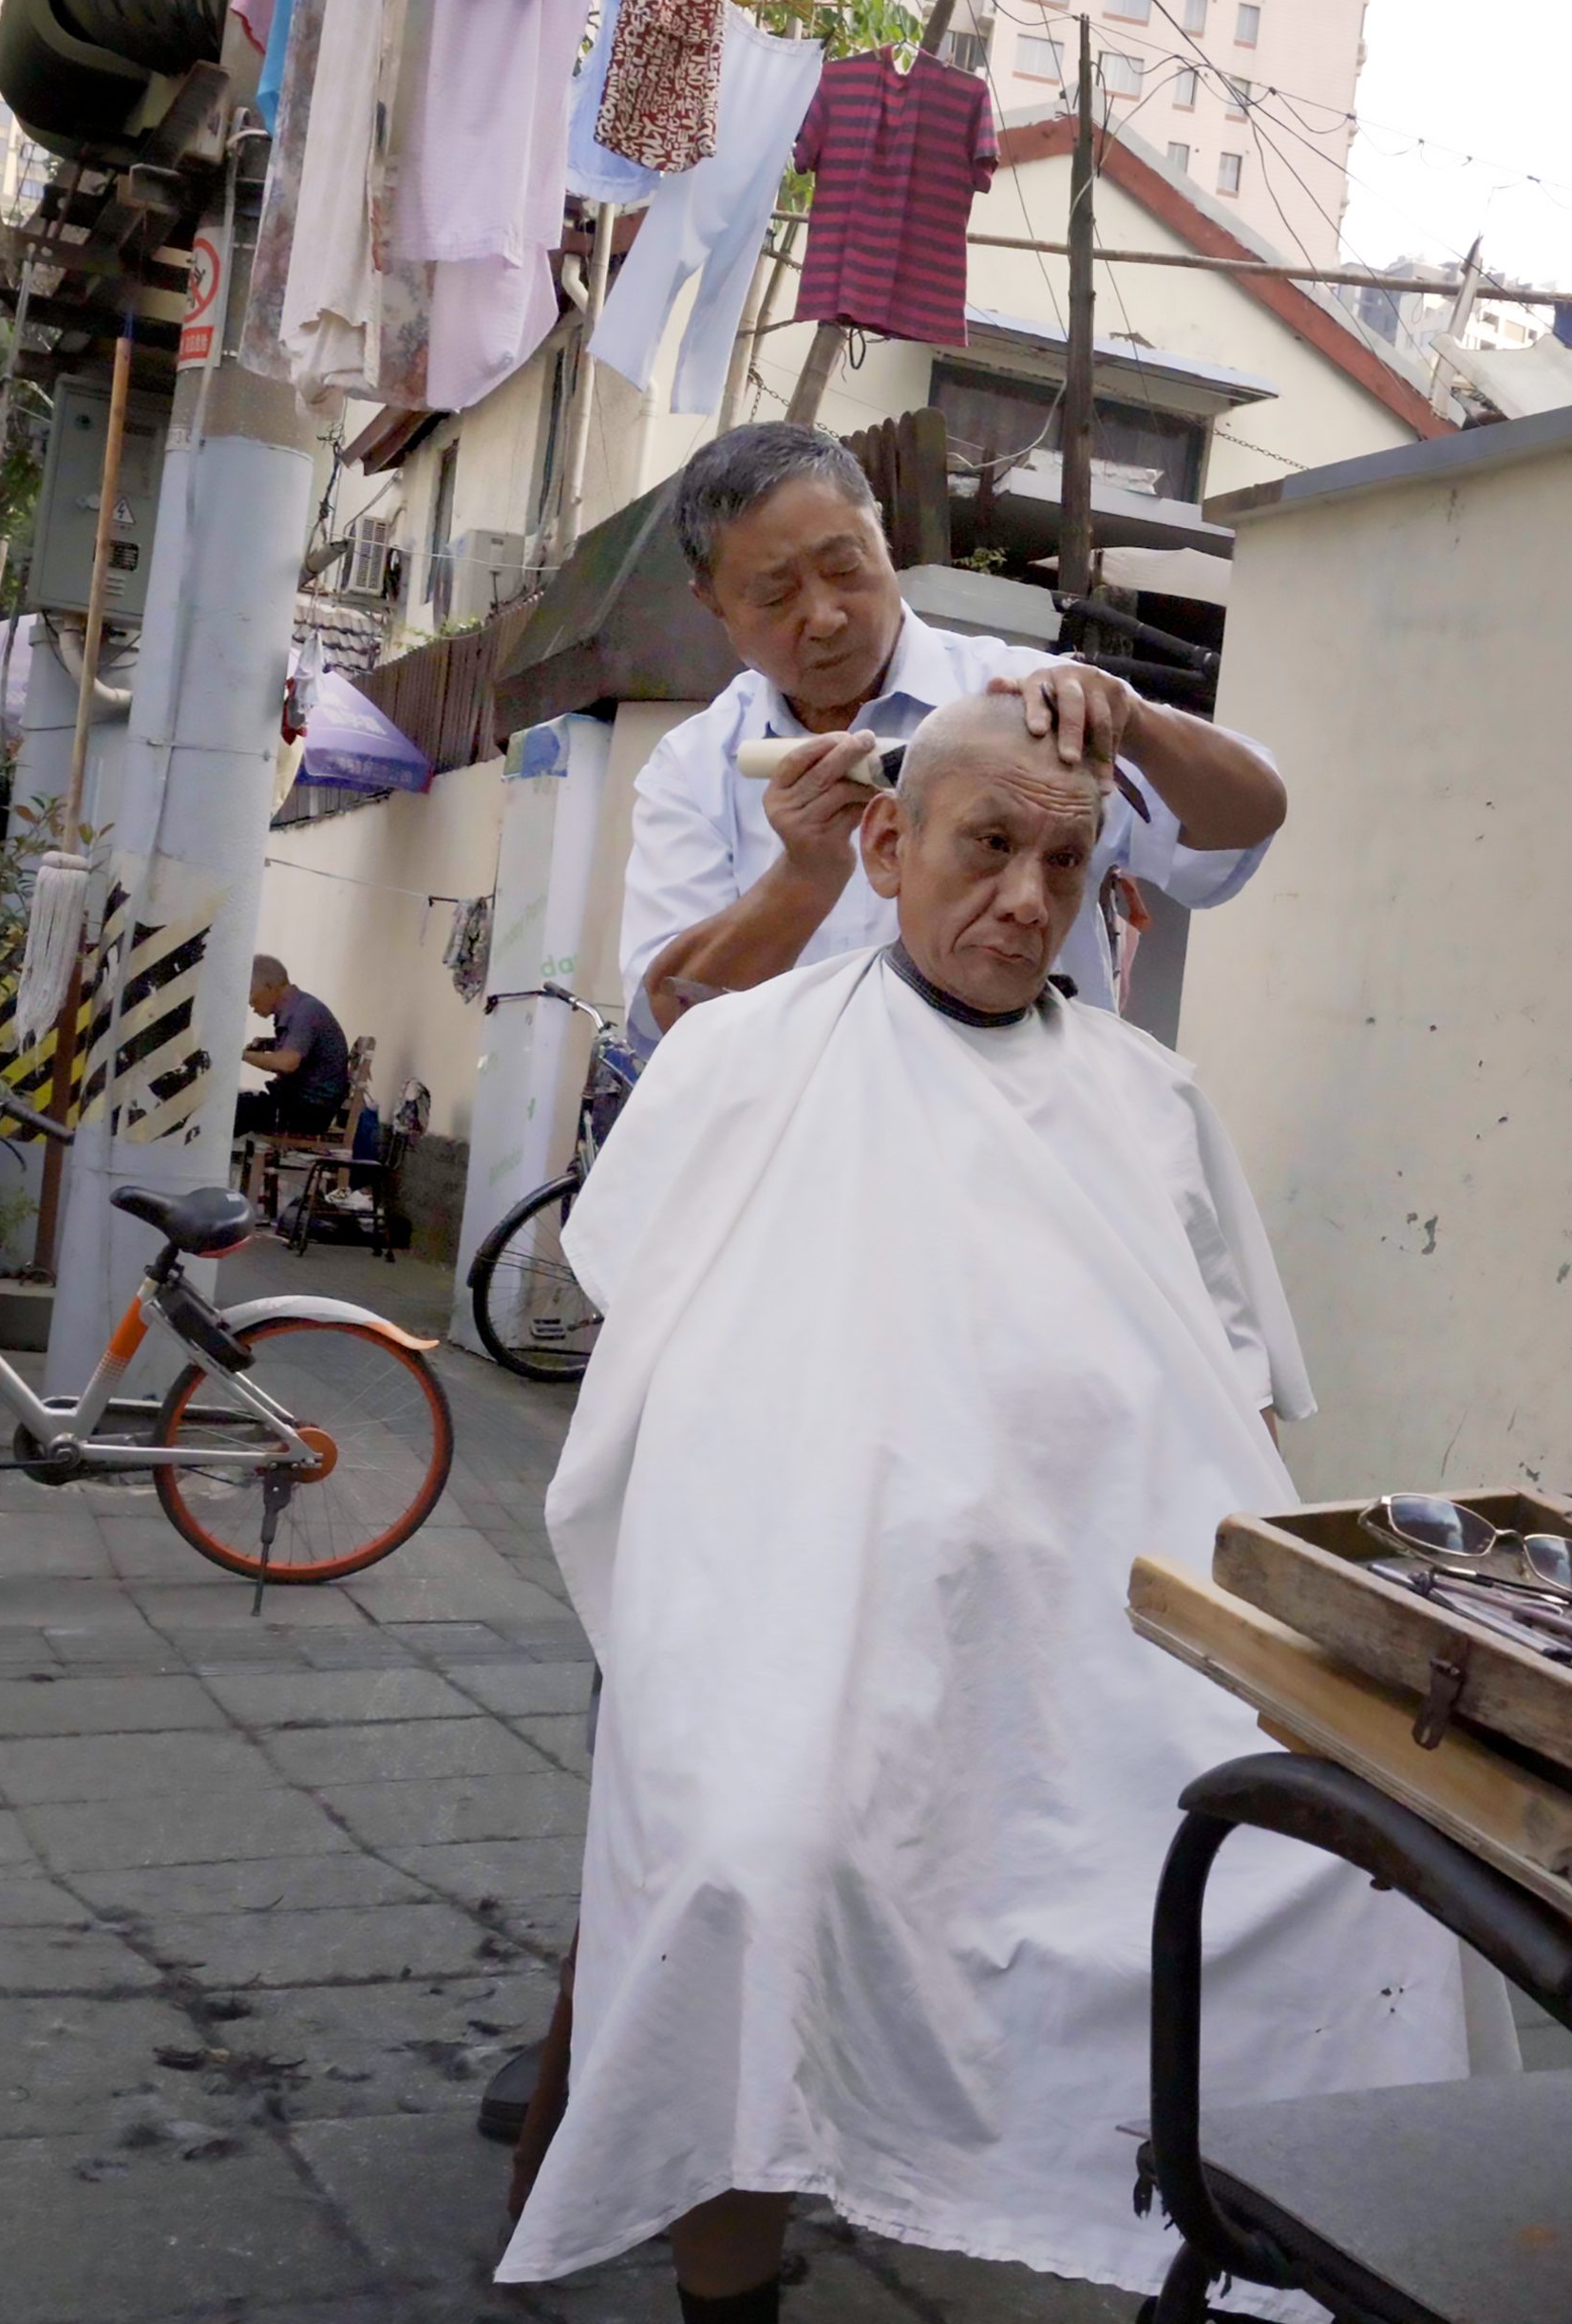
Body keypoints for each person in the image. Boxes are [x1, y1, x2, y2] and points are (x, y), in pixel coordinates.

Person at [497, 694, 1479, 2316]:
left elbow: (1224, 1406)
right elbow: (652, 1333)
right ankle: (727, 2292)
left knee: (1366, 1880)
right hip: (803, 1621)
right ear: (885, 845)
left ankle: (1254, 2254)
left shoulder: (1145, 1099)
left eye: (1067, 861)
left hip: (1098, 1636)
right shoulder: (752, 1055)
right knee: (753, 1865)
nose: (1028, 898)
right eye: (989, 847)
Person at [619, 421, 1288, 1050]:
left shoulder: (1030, 700)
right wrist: (802, 878)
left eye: (846, 567)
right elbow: (665, 1026)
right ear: (712, 603)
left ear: (882, 536)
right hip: (808, 1155)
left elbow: (1245, 824)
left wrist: (1140, 726)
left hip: (1028, 1138)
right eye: (774, 596)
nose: (824, 617)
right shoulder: (698, 765)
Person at [235, 955, 350, 1136]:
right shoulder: (300, 1007)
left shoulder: (303, 1012)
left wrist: (238, 1054)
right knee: (234, 1104)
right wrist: (269, 1044)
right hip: (303, 1104)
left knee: (228, 1112)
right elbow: (304, 1050)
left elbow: (287, 1063)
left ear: (269, 987)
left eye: (250, 993)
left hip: (307, 1112)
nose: (249, 1002)